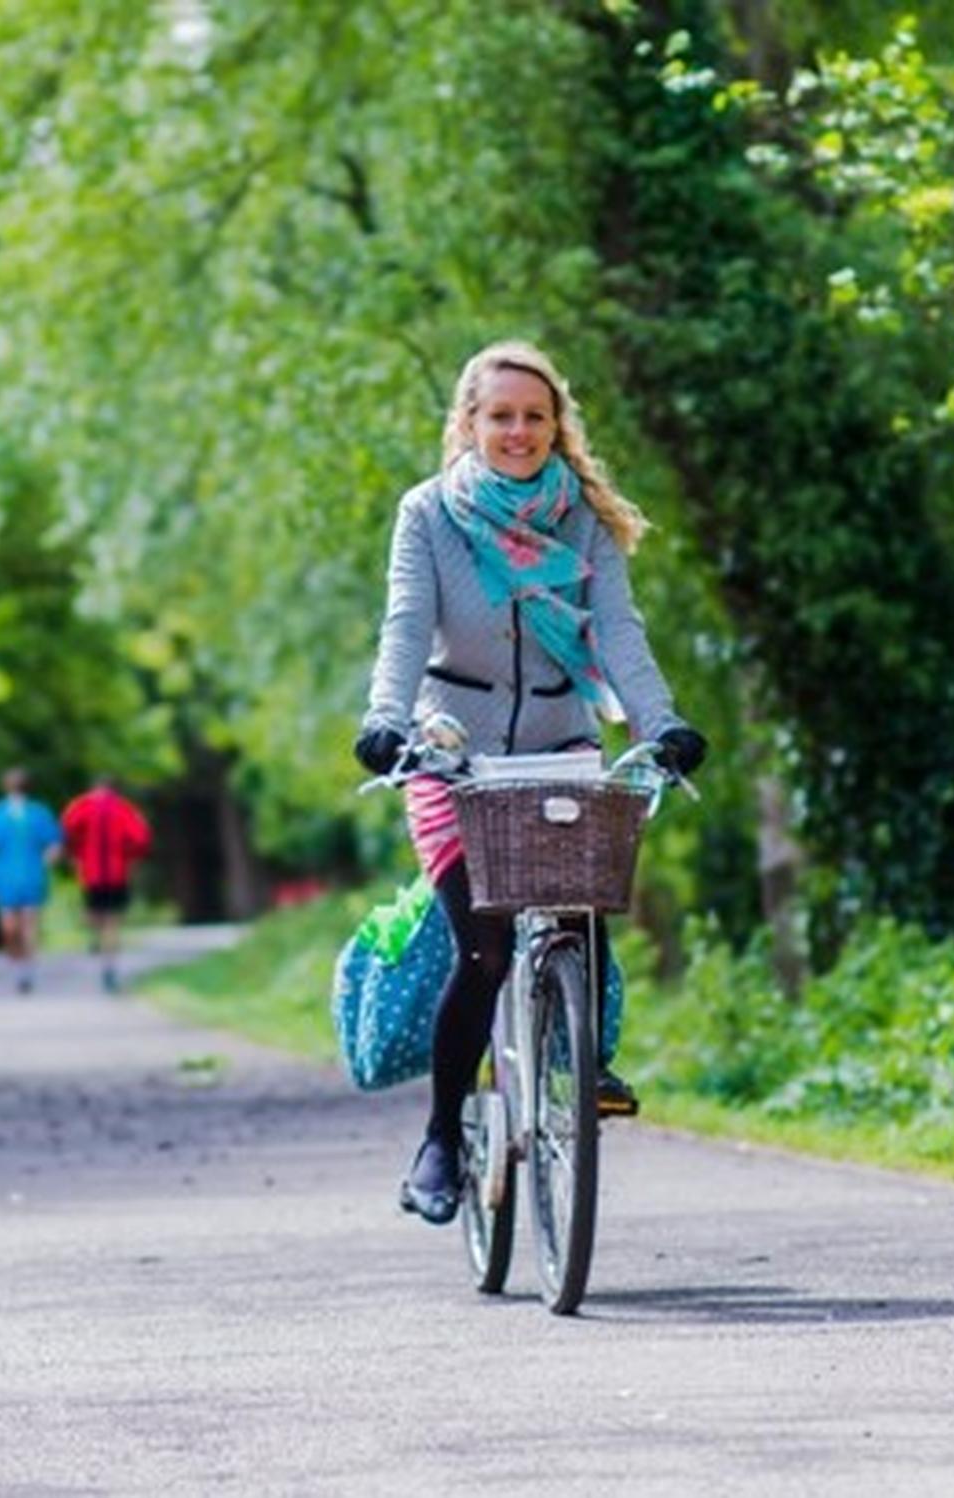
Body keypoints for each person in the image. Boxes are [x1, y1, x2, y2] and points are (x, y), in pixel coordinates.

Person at [353, 340, 708, 1227]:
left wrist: (661, 722)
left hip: (560, 739)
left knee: (582, 911)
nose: (518, 431)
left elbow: (619, 630)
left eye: (534, 417)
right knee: (482, 945)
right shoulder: (428, 513)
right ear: (468, 424)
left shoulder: (581, 516)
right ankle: (441, 1137)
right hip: (449, 747)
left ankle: (581, 1061)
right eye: (500, 416)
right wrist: (386, 719)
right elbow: (406, 625)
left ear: (557, 427)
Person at [0, 767, 64, 992]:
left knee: (29, 926)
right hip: (4, 878)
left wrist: (44, 863)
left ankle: (25, 974)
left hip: (31, 876)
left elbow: (55, 844)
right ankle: (18, 963)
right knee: (9, 929)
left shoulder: (39, 813)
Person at [60, 775, 152, 994]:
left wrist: (75, 853)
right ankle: (109, 963)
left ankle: (96, 938)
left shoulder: (81, 805)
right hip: (116, 872)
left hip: (90, 872)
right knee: (113, 919)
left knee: (95, 913)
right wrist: (132, 856)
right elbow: (141, 837)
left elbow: (65, 830)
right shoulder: (124, 808)